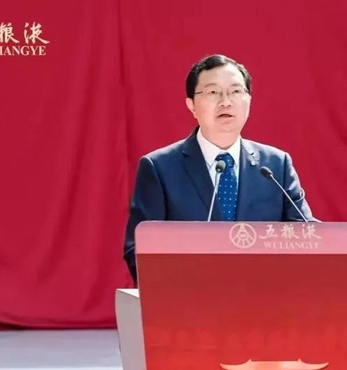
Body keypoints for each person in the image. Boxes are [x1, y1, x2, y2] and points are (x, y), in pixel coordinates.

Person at [123, 54, 315, 283]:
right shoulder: (159, 168)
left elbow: (308, 236)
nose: (226, 101)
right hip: (190, 298)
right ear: (191, 105)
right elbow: (139, 250)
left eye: (235, 91)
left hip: (266, 295)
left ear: (249, 100)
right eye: (213, 92)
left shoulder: (276, 165)